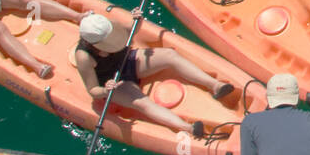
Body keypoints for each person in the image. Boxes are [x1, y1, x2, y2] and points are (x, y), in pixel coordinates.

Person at [73, 11, 234, 137]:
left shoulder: (110, 25)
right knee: (142, 103)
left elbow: (130, 31)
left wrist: (138, 20)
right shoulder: (84, 57)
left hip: (129, 61)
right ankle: (188, 128)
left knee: (170, 56)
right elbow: (93, 90)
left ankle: (215, 86)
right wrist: (106, 90)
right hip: (113, 83)